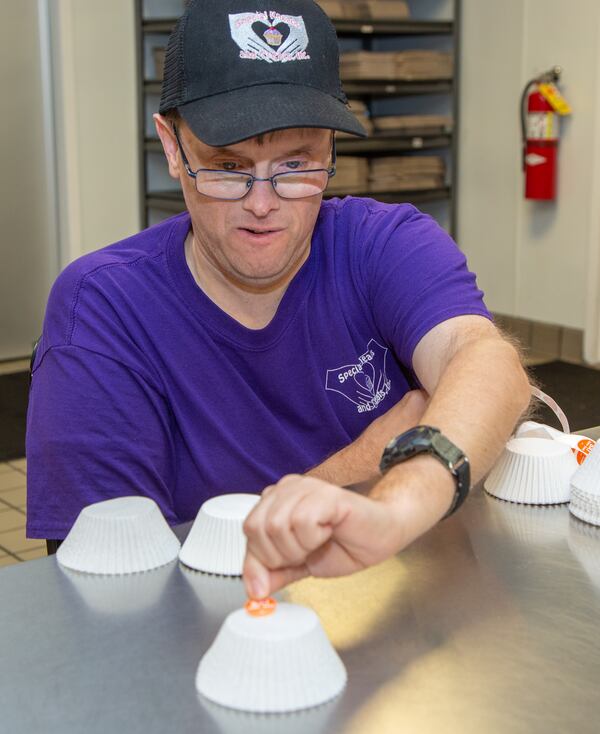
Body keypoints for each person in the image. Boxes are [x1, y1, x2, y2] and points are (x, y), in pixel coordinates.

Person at [26, 0, 530, 599]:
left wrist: (403, 494)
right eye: (227, 165)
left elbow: (486, 360)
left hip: (392, 624)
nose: (262, 204)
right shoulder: (103, 309)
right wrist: (364, 462)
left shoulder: (384, 244)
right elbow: (121, 596)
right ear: (171, 145)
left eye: (296, 163)